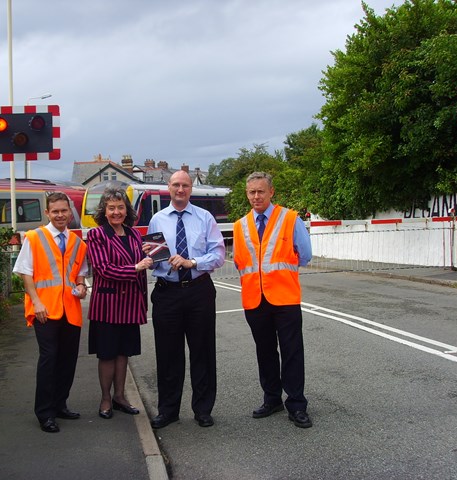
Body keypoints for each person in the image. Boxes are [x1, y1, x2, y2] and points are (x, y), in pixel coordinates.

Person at [233, 171, 313, 428]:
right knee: (265, 351)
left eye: (260, 191)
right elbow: (239, 262)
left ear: (271, 192)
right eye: (251, 192)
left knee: (292, 352)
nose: (256, 196)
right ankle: (272, 398)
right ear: (247, 194)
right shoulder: (240, 225)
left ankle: (297, 404)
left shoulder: (290, 218)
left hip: (285, 297)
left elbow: (305, 255)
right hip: (255, 299)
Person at [145, 170, 225, 429]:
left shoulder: (205, 218)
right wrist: (150, 258)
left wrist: (192, 262)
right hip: (167, 292)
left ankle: (203, 409)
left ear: (191, 189)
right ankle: (168, 411)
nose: (180, 190)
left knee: (202, 351)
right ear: (168, 187)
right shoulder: (157, 220)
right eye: (176, 185)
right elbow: (154, 260)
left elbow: (219, 255)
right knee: (168, 355)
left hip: (199, 291)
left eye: (185, 186)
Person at [12, 192, 88, 433]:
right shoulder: (34, 238)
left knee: (68, 360)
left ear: (69, 212)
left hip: (70, 309)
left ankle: (60, 404)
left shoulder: (78, 243)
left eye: (64, 211)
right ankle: (45, 413)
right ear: (47, 213)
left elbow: (80, 275)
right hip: (45, 310)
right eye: (55, 211)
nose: (60, 215)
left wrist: (81, 286)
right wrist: (36, 302)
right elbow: (25, 272)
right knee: (49, 359)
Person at [86, 188, 153, 419]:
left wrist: (150, 259)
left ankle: (120, 396)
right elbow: (103, 269)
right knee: (107, 354)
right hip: (108, 305)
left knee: (124, 353)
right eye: (112, 208)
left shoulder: (134, 234)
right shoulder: (97, 235)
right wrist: (135, 267)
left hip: (131, 303)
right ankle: (106, 398)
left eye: (120, 207)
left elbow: (143, 265)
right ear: (104, 211)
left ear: (127, 210)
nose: (116, 212)